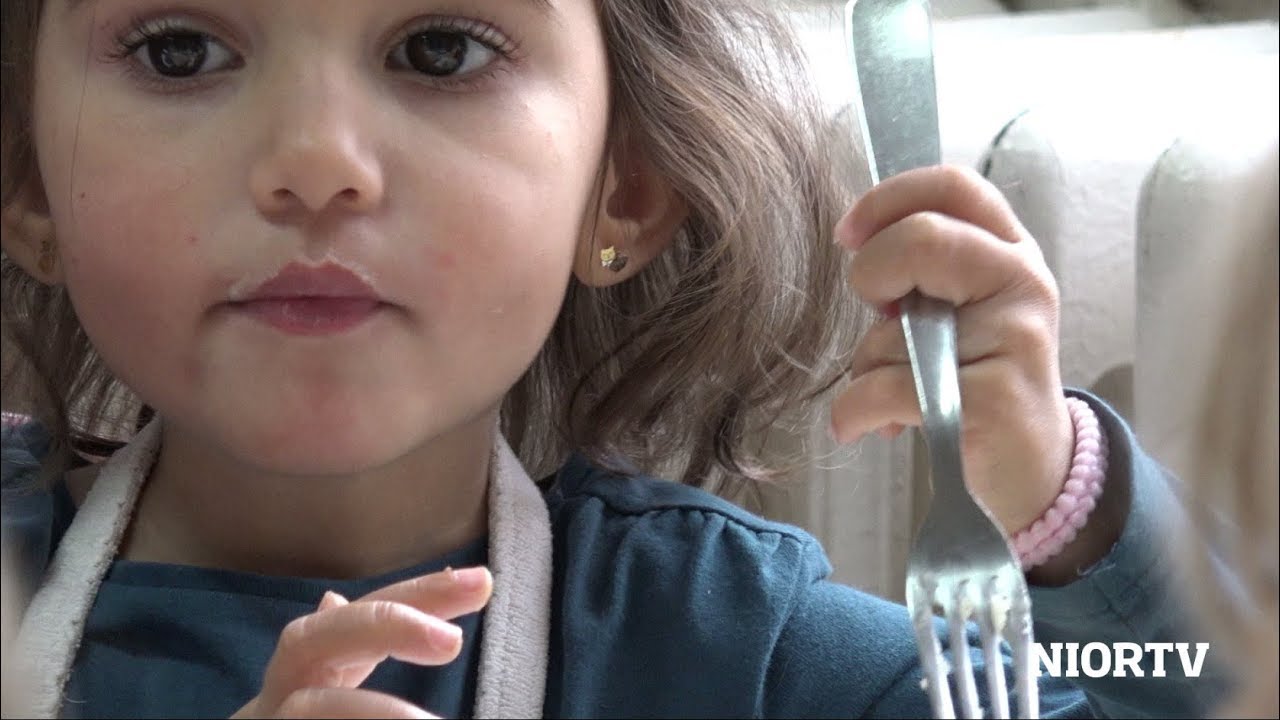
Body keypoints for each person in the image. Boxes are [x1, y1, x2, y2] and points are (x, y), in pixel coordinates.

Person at [0, 0, 1225, 717]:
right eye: (177, 49)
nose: (315, 160)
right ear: (27, 182)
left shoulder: (744, 649)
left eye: (437, 50)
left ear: (621, 194)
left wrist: (1062, 503)